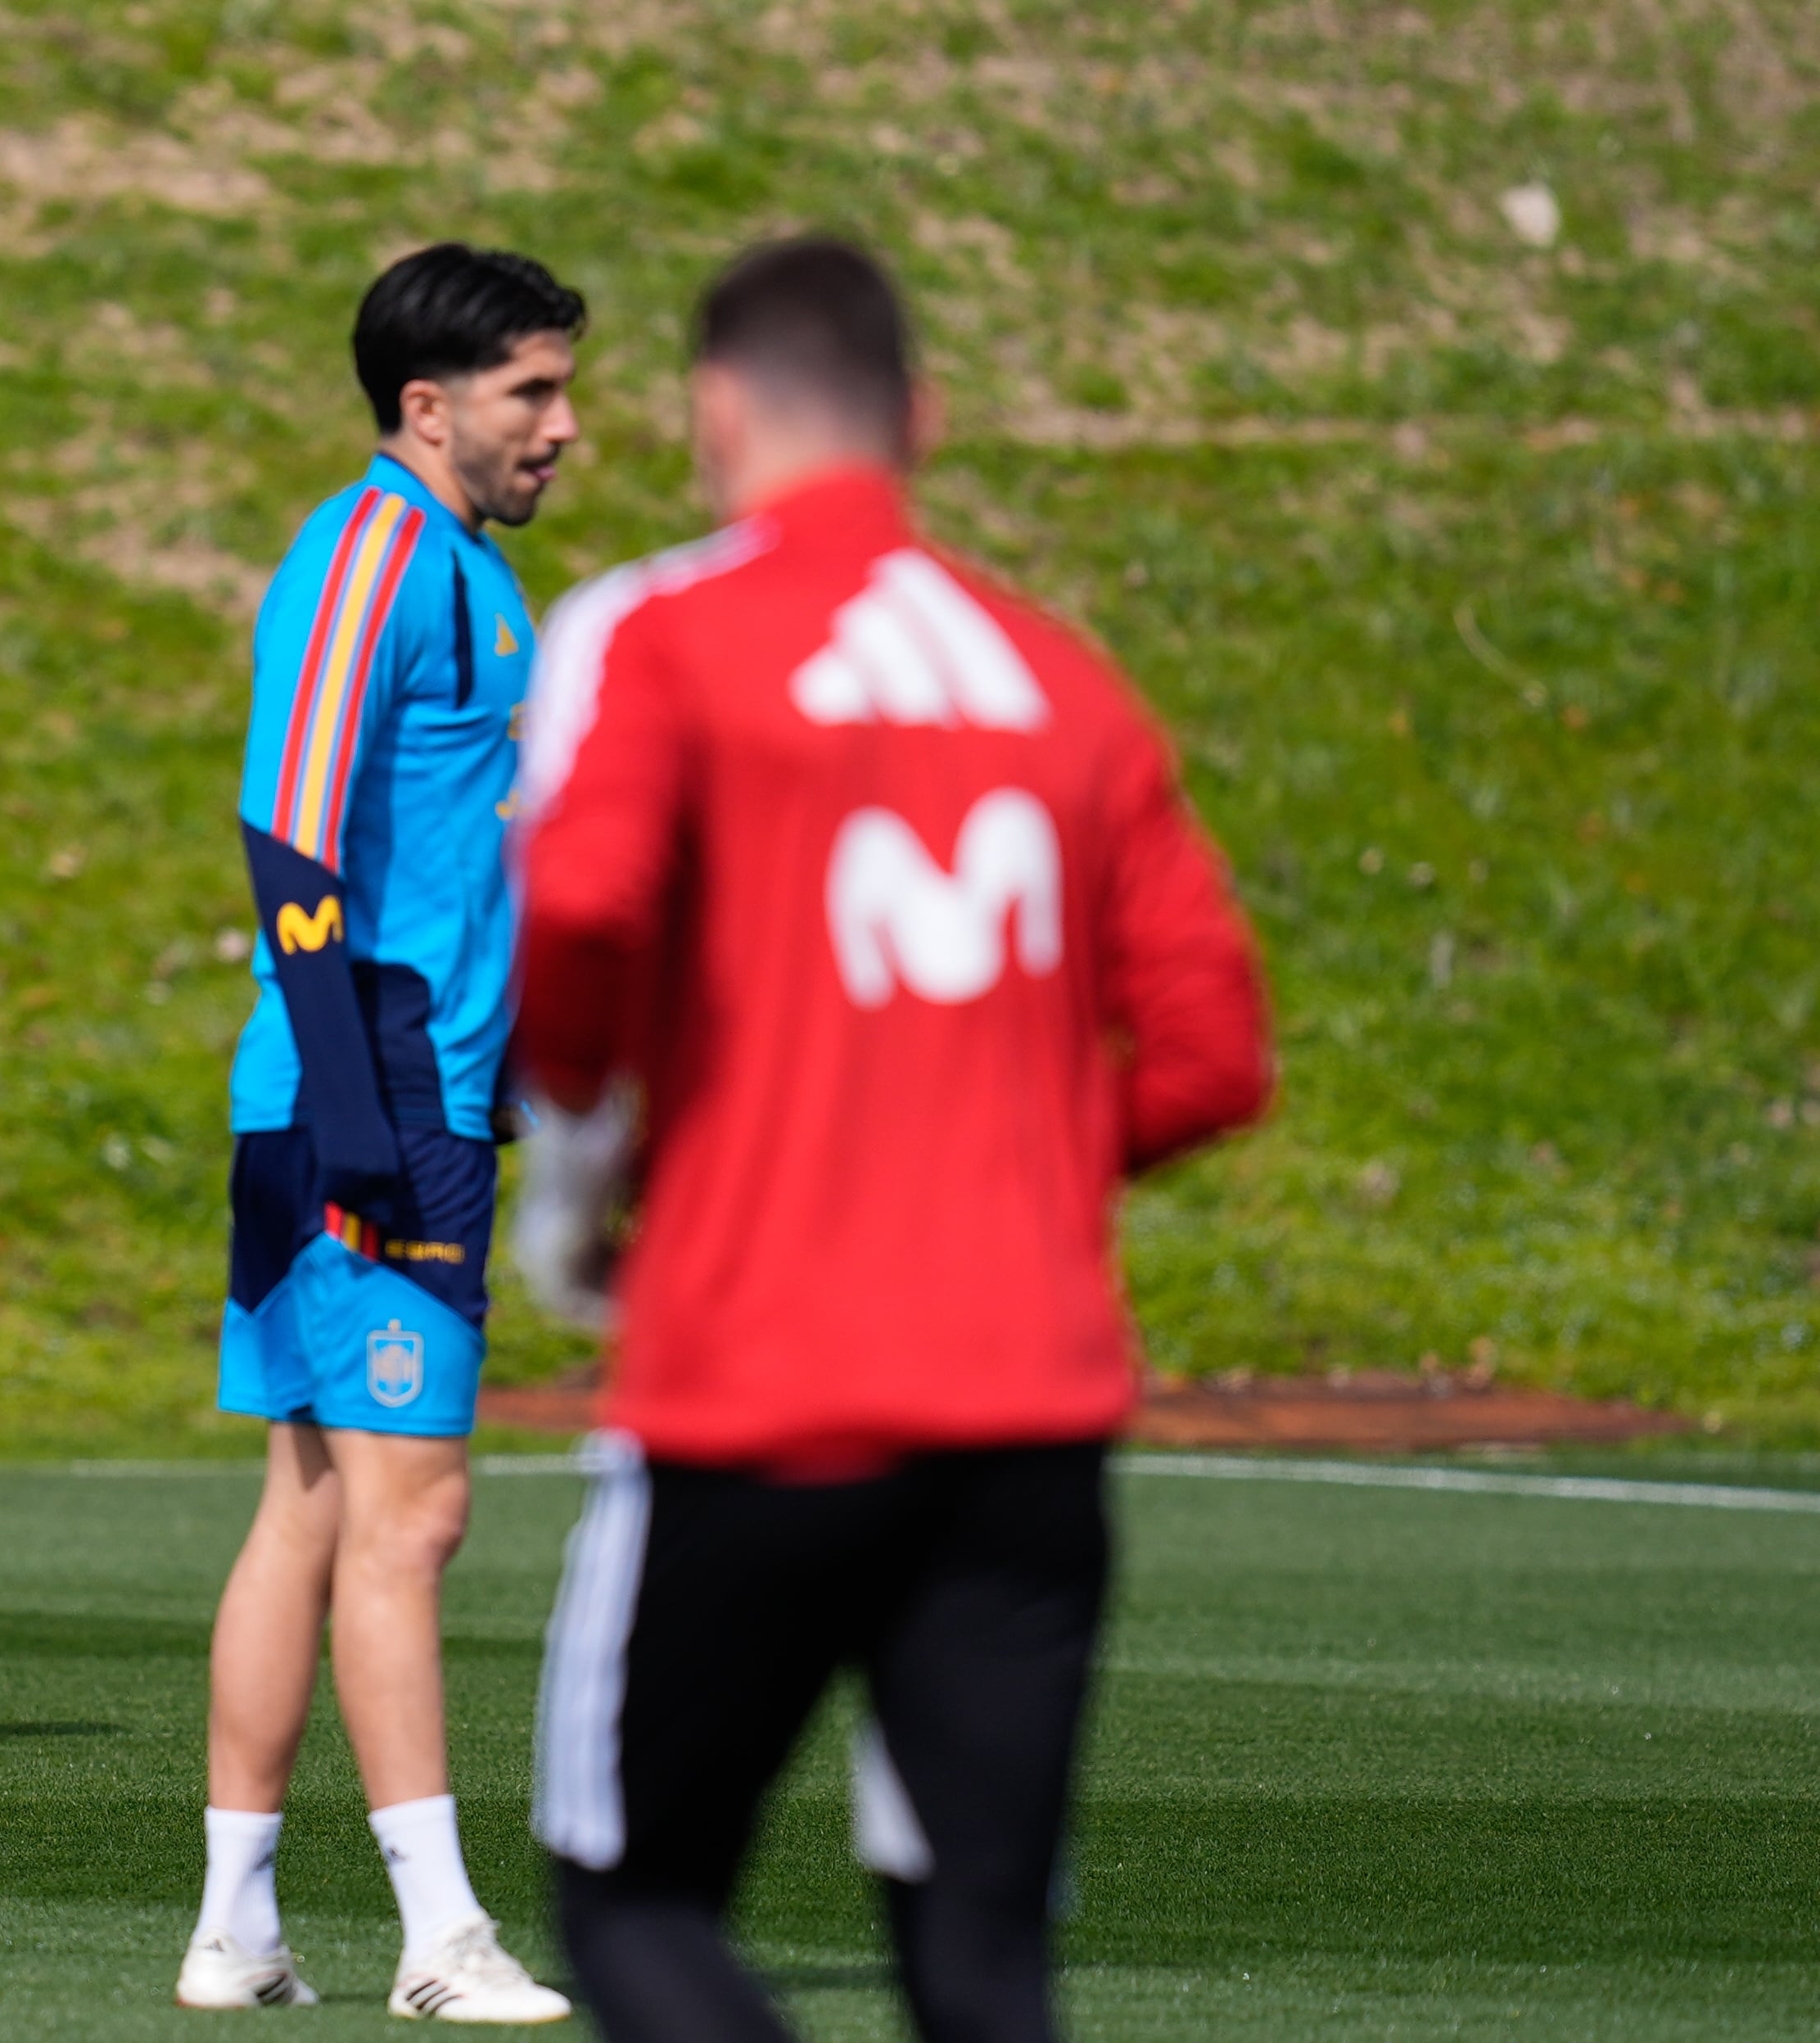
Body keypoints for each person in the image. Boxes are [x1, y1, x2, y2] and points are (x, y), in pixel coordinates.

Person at [512, 237, 1273, 2043]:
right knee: (983, 1960)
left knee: (629, 1900)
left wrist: (598, 1166)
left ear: (711, 414)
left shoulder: (659, 628)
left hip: (756, 1378)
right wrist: (995, 1165)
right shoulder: (1061, 674)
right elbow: (1214, 1048)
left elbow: (574, 916)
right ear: (920, 422)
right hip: (1023, 1407)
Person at [176, 244, 582, 2023]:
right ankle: (437, 1936)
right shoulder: (374, 554)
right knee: (410, 1519)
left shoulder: (475, 573)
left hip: (408, 1098)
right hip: (370, 1107)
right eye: (531, 394)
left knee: (315, 1502)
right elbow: (292, 839)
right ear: (427, 406)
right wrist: (362, 1118)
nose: (562, 429)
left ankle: (238, 1930)